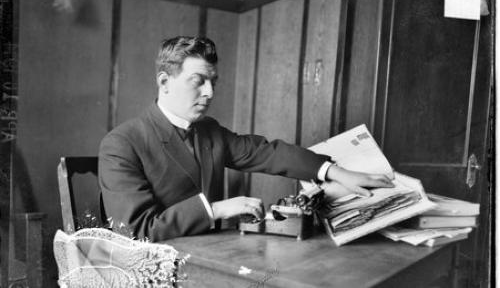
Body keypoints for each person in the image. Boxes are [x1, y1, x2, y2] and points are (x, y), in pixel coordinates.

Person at [98, 36, 394, 242]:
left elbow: (267, 153)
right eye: (198, 81)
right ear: (164, 82)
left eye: (213, 82)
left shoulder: (208, 129)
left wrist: (335, 171)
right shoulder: (122, 143)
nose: (209, 93)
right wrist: (217, 209)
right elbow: (135, 232)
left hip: (212, 252)